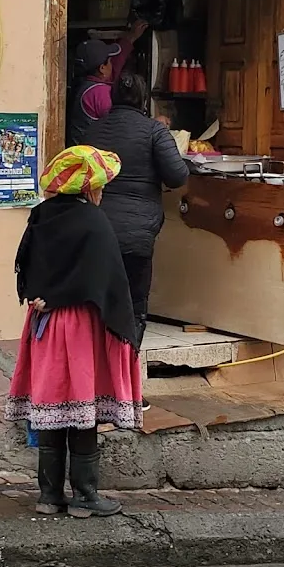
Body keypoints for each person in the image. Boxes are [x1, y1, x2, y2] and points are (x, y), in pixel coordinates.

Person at [5, 145, 143, 518]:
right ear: (89, 189)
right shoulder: (94, 223)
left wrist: (41, 296)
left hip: (44, 325)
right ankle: (85, 496)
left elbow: (26, 265)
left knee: (52, 404)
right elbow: (106, 279)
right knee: (83, 407)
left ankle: (49, 496)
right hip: (81, 324)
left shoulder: (40, 215)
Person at [88, 72, 188, 363]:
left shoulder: (92, 130)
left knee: (96, 305)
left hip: (96, 231)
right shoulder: (154, 131)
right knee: (132, 308)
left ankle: (94, 382)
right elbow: (178, 175)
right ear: (143, 99)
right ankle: (125, 386)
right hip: (137, 236)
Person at [66, 19, 148, 145]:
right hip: (93, 157)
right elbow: (122, 124)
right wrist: (153, 125)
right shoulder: (99, 92)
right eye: (109, 60)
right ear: (102, 68)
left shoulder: (87, 85)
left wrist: (130, 38)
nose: (112, 64)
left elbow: (115, 67)